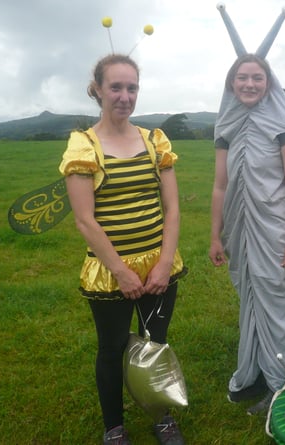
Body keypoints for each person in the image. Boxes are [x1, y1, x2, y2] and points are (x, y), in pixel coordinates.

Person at [59, 54, 187, 445]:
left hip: (158, 265)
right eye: (116, 87)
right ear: (97, 89)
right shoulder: (84, 145)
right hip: (110, 270)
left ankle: (160, 415)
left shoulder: (154, 141)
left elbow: (173, 208)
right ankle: (114, 427)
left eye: (131, 87)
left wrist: (164, 264)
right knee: (112, 349)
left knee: (155, 344)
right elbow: (85, 220)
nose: (124, 96)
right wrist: (120, 271)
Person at [209, 53, 285, 415]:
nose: (249, 84)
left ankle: (281, 383)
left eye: (257, 78)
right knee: (250, 295)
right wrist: (215, 236)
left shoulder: (283, 123)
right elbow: (221, 185)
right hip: (240, 228)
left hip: (275, 228)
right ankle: (252, 372)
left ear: (269, 84)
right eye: (241, 78)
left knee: (278, 300)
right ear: (231, 84)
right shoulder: (226, 125)